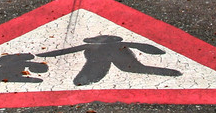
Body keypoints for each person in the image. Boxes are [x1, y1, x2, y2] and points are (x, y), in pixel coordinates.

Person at [37, 35, 180, 86]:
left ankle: (171, 73)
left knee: (129, 68)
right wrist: (45, 55)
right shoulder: (92, 46)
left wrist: (45, 55)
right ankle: (170, 72)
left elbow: (67, 50)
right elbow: (67, 51)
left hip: (108, 58)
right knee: (132, 68)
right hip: (102, 59)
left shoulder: (91, 46)